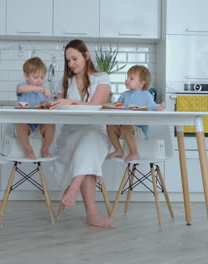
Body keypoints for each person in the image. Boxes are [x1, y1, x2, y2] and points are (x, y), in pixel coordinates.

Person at [53, 39, 112, 228]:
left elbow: (96, 105)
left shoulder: (102, 78)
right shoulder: (65, 82)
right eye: (68, 60)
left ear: (86, 56)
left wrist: (70, 103)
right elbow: (56, 106)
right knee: (88, 147)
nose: (71, 64)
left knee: (91, 138)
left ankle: (75, 186)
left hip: (96, 132)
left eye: (74, 58)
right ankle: (92, 214)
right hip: (70, 135)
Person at [106, 65, 165, 162]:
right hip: (123, 128)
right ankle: (118, 149)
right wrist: (113, 106)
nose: (127, 80)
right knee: (110, 126)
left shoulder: (146, 95)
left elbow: (152, 107)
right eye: (127, 78)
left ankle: (134, 153)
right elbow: (117, 106)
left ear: (142, 83)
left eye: (131, 78)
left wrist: (158, 109)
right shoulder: (125, 94)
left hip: (139, 130)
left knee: (126, 127)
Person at [16, 57, 55, 159]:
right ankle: (28, 150)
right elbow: (20, 89)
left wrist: (44, 104)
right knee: (20, 124)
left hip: (38, 125)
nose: (39, 80)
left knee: (51, 124)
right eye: (36, 77)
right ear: (26, 76)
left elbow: (42, 104)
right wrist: (40, 89)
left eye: (42, 78)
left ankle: (45, 150)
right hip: (26, 125)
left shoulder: (41, 93)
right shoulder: (23, 87)